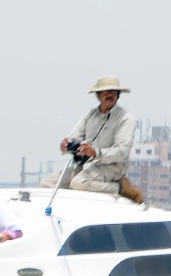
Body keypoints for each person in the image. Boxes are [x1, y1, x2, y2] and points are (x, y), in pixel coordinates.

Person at [44, 74, 143, 203]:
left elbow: (122, 152)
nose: (110, 95)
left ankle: (120, 187)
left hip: (111, 167)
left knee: (78, 183)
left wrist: (95, 152)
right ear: (98, 95)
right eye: (105, 92)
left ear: (118, 95)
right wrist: (65, 145)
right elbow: (74, 137)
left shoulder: (125, 118)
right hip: (86, 166)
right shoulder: (90, 115)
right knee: (48, 183)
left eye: (113, 92)